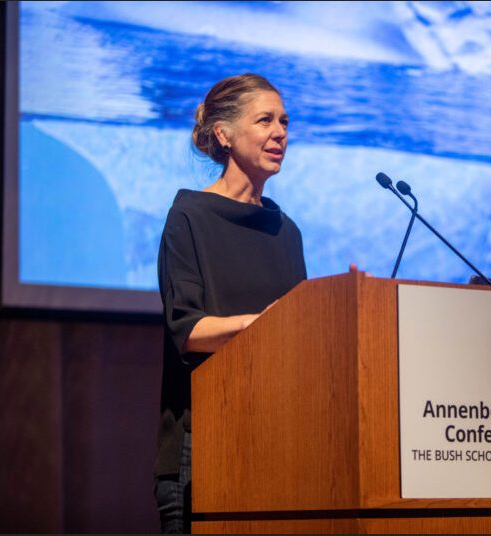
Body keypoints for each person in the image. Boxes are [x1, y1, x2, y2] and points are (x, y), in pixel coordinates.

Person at [153, 73, 307, 533]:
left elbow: (300, 337)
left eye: (284, 121)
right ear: (224, 134)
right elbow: (188, 331)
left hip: (276, 442)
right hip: (201, 442)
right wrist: (261, 326)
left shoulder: (287, 231)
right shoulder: (190, 215)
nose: (280, 132)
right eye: (265, 120)